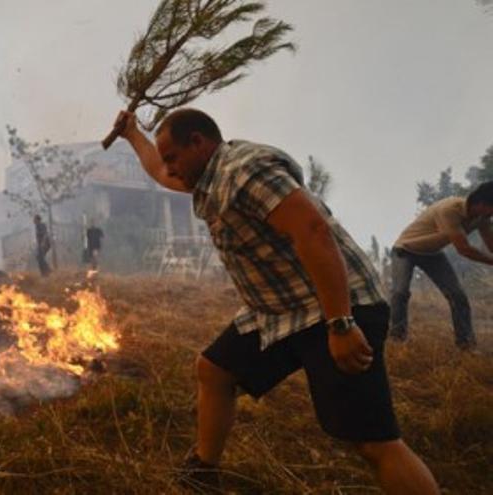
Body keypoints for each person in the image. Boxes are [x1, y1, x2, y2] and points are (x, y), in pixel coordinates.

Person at [114, 108, 439, 494]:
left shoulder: (245, 171)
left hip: (334, 305)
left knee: (372, 443)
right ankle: (201, 473)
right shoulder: (207, 174)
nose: (170, 168)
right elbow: (161, 172)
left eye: (174, 157)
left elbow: (313, 231)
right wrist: (132, 134)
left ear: (198, 143)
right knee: (214, 370)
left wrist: (340, 323)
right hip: (280, 311)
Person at [390, 181, 493, 350]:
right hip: (405, 249)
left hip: (432, 254)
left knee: (457, 296)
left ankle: (466, 345)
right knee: (400, 293)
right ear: (481, 204)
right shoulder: (450, 209)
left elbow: (491, 244)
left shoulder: (483, 217)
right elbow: (464, 249)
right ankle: (397, 339)